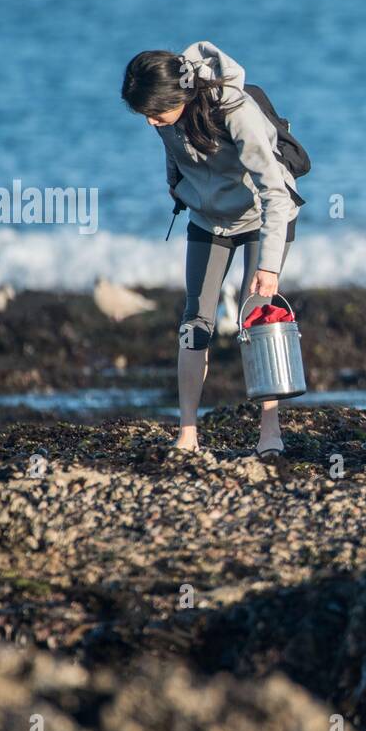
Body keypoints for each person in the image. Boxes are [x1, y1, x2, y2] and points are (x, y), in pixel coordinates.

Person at [121, 41, 301, 458]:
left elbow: (274, 192)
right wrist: (179, 188)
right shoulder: (164, 116)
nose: (150, 123)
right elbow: (176, 158)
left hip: (263, 216)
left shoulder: (235, 111)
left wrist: (270, 268)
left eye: (154, 113)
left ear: (178, 96)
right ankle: (187, 432)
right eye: (144, 115)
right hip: (209, 220)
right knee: (194, 323)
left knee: (260, 320)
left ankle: (269, 433)